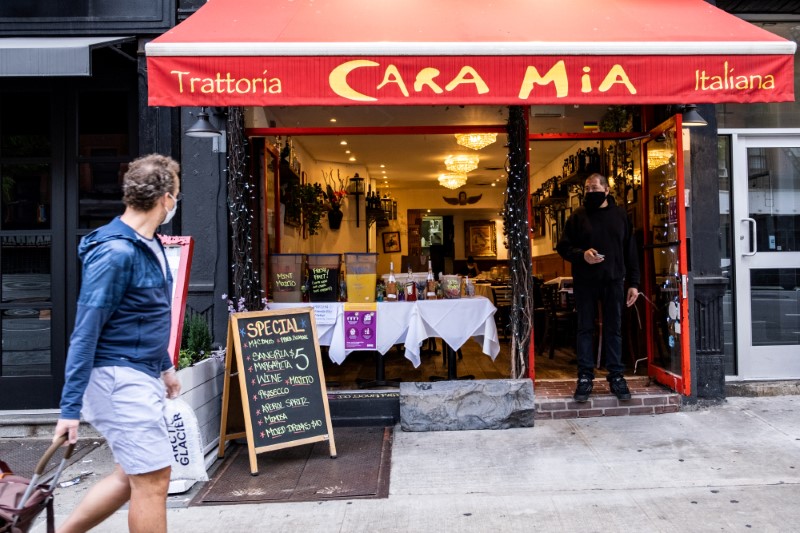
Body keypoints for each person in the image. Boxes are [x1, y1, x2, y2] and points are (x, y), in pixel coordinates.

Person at [52, 154, 182, 533]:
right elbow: (85, 332)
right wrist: (69, 409)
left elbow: (142, 316)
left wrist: (165, 366)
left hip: (137, 373)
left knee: (131, 477)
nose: (176, 201)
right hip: (117, 378)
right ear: (165, 199)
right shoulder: (116, 253)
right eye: (176, 194)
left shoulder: (149, 244)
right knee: (154, 482)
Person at [556, 173, 639, 403]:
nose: (590, 192)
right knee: (584, 329)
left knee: (614, 329)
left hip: (614, 280)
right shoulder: (577, 217)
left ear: (606, 189)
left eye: (594, 188)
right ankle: (584, 377)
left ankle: (616, 377)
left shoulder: (621, 216)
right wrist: (582, 255)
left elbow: (630, 251)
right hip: (585, 281)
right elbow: (562, 247)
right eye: (587, 188)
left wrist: (634, 283)